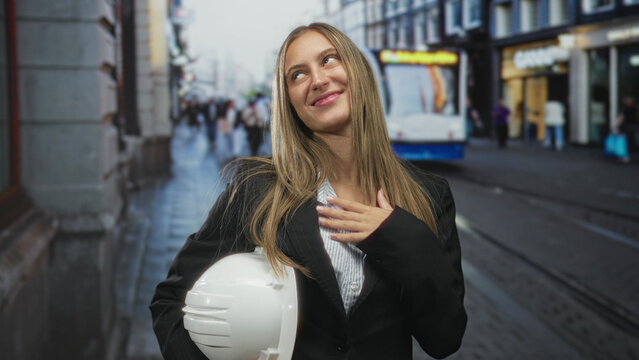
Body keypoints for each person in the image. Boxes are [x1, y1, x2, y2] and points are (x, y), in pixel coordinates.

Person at [150, 23, 467, 360]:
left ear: (358, 71)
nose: (317, 80)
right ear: (290, 102)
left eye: (329, 60)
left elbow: (443, 339)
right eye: (297, 75)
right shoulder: (257, 188)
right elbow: (171, 301)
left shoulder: (429, 195)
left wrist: (399, 236)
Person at [616, 96, 638, 162]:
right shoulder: (635, 109)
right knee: (632, 141)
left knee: (624, 142)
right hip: (634, 127)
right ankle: (627, 155)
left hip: (625, 127)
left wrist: (616, 125)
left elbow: (621, 118)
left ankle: (625, 155)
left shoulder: (624, 109)